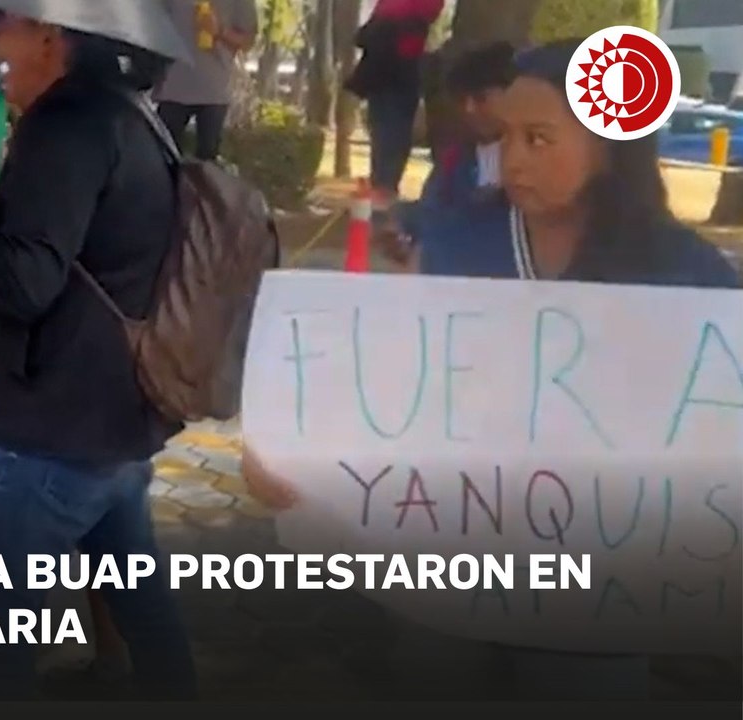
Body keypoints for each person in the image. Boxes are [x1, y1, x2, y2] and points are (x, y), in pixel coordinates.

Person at [247, 39, 740, 701]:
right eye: (504, 136)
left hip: (600, 596)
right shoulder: (454, 244)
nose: (513, 160)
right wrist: (291, 454)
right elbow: (391, 385)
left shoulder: (687, 277)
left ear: (611, 145)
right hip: (450, 569)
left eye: (539, 138)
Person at [0, 14, 195, 700]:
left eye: (8, 27)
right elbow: (75, 252)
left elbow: (25, 284)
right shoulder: (128, 115)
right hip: (115, 420)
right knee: (143, 608)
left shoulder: (65, 126)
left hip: (50, 435)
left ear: (53, 38)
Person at [382, 41, 516, 264]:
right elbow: (431, 210)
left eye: (481, 98)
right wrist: (402, 225)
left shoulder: (537, 159)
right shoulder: (455, 160)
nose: (469, 109)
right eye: (462, 101)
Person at [346, 0, 444, 207]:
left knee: (389, 133)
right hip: (390, 74)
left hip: (395, 73)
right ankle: (381, 187)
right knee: (386, 133)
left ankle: (384, 187)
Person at [154, 0, 257, 161]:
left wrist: (220, 31)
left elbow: (248, 41)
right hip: (173, 86)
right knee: (161, 156)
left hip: (214, 91)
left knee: (207, 162)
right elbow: (152, 23)